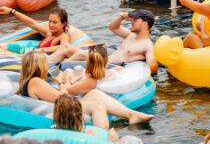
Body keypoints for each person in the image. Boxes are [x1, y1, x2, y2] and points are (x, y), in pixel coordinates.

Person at [17, 50, 153, 128]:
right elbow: (63, 99)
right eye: (45, 64)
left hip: (54, 110)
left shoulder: (27, 82)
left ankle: (131, 115)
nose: (46, 67)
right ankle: (103, 140)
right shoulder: (35, 81)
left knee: (94, 93)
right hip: (56, 113)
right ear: (39, 66)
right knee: (97, 106)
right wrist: (60, 83)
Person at [62, 10, 157, 74]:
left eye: (135, 20)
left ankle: (55, 69)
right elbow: (112, 27)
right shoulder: (131, 35)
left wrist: (128, 71)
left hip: (112, 66)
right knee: (73, 51)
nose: (132, 22)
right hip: (107, 59)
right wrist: (121, 18)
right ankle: (56, 65)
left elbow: (153, 67)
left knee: (81, 55)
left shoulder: (147, 45)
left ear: (144, 24)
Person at [0, 6, 71, 60]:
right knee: (2, 47)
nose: (51, 25)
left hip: (36, 58)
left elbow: (65, 47)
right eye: (50, 21)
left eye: (55, 22)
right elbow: (32, 23)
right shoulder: (49, 33)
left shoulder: (63, 35)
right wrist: (12, 11)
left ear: (63, 24)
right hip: (31, 52)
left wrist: (41, 50)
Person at [53, 93, 119, 141]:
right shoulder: (91, 134)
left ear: (55, 116)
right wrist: (114, 141)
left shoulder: (52, 134)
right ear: (80, 115)